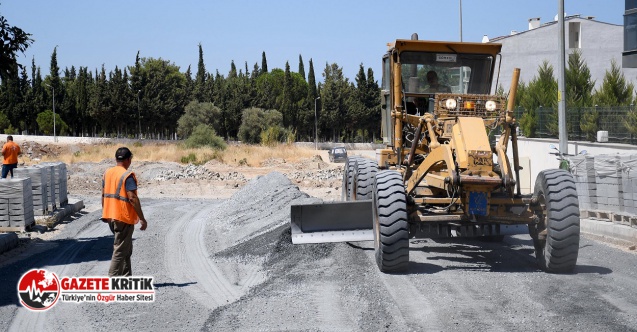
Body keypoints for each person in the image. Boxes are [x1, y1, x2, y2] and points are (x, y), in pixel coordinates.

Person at [101, 147, 148, 276]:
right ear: (128, 160)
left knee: (126, 249)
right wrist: (142, 219)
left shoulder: (107, 173)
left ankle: (126, 278)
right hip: (123, 217)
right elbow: (132, 198)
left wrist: (105, 213)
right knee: (120, 250)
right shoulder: (127, 176)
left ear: (116, 159)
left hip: (111, 215)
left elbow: (103, 195)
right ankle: (113, 280)